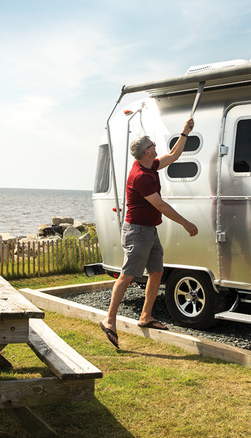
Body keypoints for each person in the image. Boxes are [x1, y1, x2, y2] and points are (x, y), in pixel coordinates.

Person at [99, 118, 199, 348]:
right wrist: (186, 223)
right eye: (153, 145)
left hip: (149, 231)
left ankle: (146, 317)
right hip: (137, 232)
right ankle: (109, 320)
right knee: (128, 275)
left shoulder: (150, 165)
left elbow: (173, 156)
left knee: (156, 272)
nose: (156, 148)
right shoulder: (140, 177)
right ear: (146, 151)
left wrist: (184, 133)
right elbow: (161, 206)